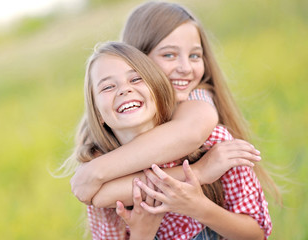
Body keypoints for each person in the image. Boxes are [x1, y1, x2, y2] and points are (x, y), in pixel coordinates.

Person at [69, 41, 271, 239]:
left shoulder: (214, 145)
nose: (123, 89)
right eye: (108, 87)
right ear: (98, 114)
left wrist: (199, 208)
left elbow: (256, 234)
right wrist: (142, 234)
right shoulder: (99, 178)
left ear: (158, 90)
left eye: (136, 79)